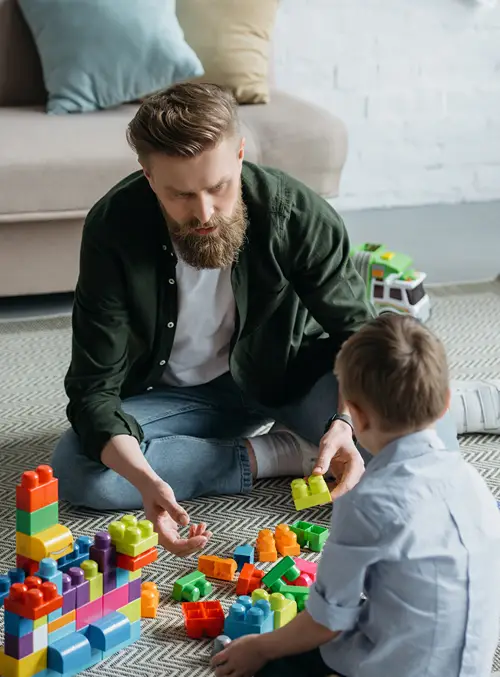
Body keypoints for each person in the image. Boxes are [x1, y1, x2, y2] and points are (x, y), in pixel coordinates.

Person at [51, 82, 500, 557]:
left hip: (294, 374)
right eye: (179, 195)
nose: (203, 213)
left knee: (415, 448)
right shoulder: (113, 229)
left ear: (240, 154)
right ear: (148, 177)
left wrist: (345, 423)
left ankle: (464, 401)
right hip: (187, 397)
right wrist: (145, 481)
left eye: (218, 186)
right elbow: (92, 389)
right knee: (80, 468)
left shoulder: (297, 214)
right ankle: (282, 453)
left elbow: (360, 335)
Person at [211, 314, 500, 677]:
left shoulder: (366, 501)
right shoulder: (472, 479)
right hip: (472, 667)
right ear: (445, 404)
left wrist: (258, 646)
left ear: (355, 417)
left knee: (271, 660)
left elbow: (327, 621)